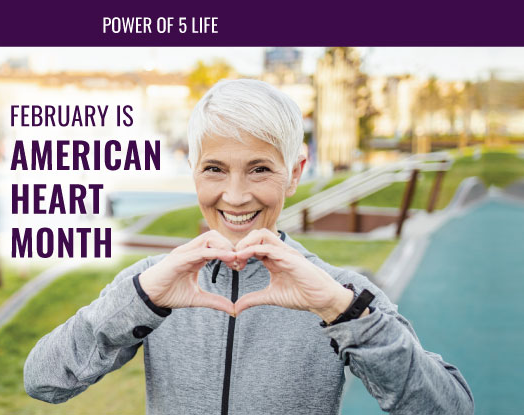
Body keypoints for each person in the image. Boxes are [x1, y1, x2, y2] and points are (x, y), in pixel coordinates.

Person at [23, 79, 474, 414]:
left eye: (259, 169)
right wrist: (137, 303)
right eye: (215, 169)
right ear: (193, 169)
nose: (236, 196)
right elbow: (43, 381)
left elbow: (449, 408)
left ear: (295, 172)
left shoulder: (339, 291)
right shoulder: (152, 283)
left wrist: (344, 312)